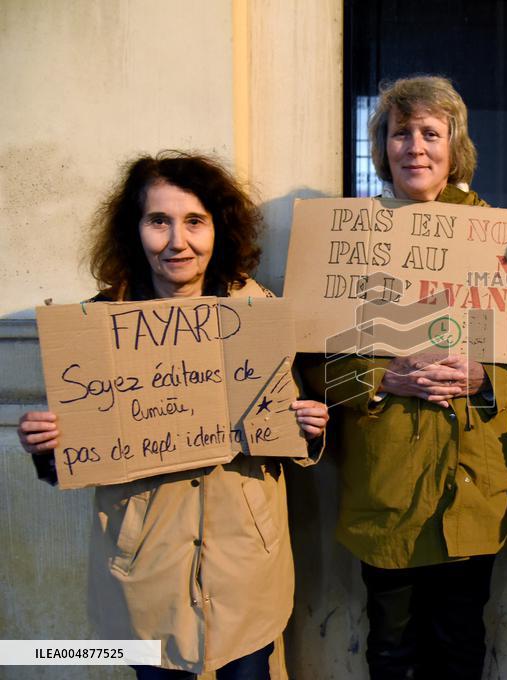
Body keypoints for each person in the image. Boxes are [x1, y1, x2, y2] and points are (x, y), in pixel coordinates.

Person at [16, 152, 329, 679]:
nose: (176, 241)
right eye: (158, 221)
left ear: (218, 229)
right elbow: (78, 448)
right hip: (144, 569)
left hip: (245, 565)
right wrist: (47, 445)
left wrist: (309, 427)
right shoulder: (96, 325)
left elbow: (290, 428)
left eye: (194, 222)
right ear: (134, 230)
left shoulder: (259, 312)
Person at [297, 75, 507, 680]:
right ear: (382, 146)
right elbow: (312, 365)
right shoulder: (347, 237)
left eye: (432, 132)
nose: (416, 147)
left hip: (472, 484)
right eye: (401, 132)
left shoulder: (503, 237)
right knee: (391, 646)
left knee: (459, 643)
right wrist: (380, 378)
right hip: (386, 486)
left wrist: (487, 377)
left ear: (456, 146)